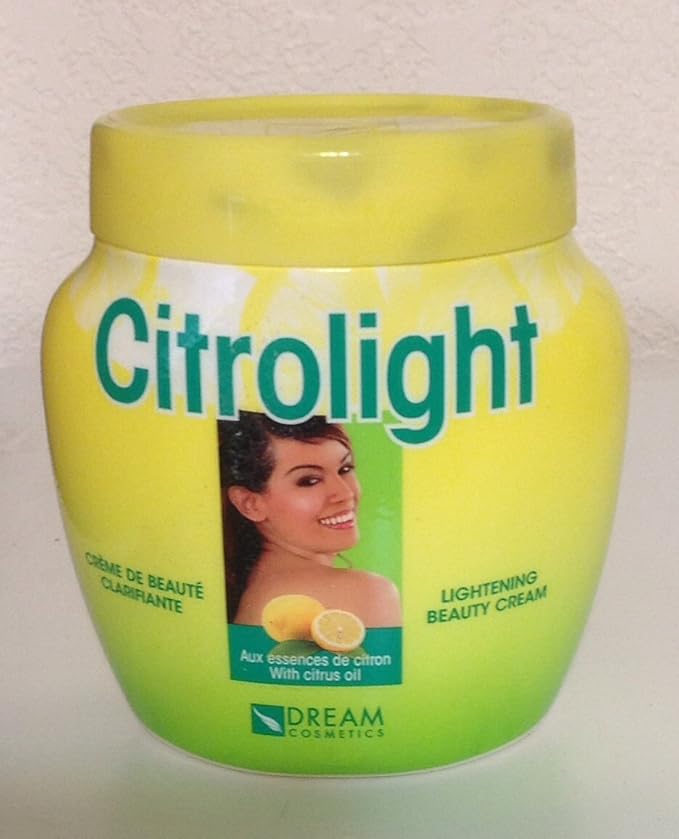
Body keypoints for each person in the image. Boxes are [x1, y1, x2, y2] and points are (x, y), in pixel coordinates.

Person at [219, 412, 402, 628]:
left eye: (344, 469)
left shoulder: (255, 586)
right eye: (310, 481)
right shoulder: (366, 593)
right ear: (250, 503)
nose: (345, 493)